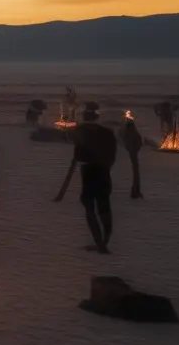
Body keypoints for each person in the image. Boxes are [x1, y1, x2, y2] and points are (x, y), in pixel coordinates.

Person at [56, 105, 117, 253]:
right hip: (103, 171)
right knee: (104, 206)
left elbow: (73, 145)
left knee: (90, 207)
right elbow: (112, 155)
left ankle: (100, 244)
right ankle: (104, 240)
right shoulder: (107, 133)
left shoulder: (81, 131)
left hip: (89, 172)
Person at [121, 116, 144, 199]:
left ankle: (135, 191)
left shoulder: (126, 132)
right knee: (135, 172)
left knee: (135, 172)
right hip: (133, 153)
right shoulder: (133, 132)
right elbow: (139, 142)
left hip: (132, 152)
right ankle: (135, 191)